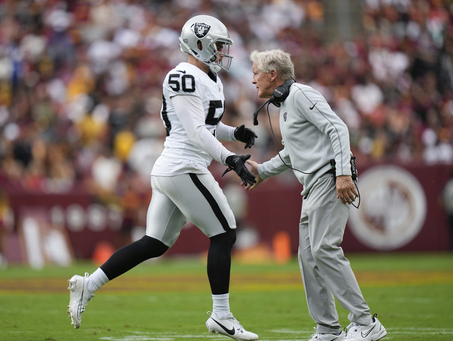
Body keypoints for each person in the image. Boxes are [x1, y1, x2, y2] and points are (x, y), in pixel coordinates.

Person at [67, 15, 258, 341]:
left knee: (154, 243)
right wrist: (230, 158)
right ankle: (221, 315)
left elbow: (206, 125)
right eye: (218, 46)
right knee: (224, 232)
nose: (223, 52)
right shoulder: (181, 76)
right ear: (198, 44)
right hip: (183, 167)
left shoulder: (210, 77)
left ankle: (89, 284)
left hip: (174, 168)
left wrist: (233, 132)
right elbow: (196, 132)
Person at [245, 49, 387, 341]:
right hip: (312, 186)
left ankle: (366, 322)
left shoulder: (301, 94)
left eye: (256, 72)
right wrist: (262, 170)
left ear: (273, 74)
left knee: (323, 249)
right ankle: (328, 329)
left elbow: (338, 127)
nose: (252, 79)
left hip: (328, 177)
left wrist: (343, 173)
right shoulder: (286, 105)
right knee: (309, 257)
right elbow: (291, 155)